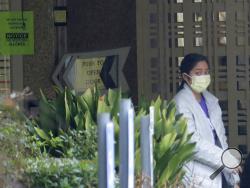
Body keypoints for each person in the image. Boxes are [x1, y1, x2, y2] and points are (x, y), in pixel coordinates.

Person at [174, 53, 241, 188]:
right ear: (186, 77)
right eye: (198, 73)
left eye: (206, 72)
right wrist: (225, 159)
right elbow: (192, 143)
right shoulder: (180, 102)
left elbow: (221, 141)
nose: (203, 77)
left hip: (221, 174)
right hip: (196, 175)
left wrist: (234, 179)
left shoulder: (211, 101)